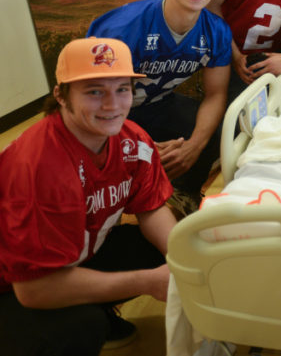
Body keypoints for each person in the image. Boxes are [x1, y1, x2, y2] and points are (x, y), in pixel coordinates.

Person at [0, 37, 176, 356]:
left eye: (122, 89)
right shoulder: (39, 166)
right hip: (13, 285)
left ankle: (89, 305)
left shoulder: (130, 140)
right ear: (61, 97)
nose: (112, 105)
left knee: (163, 247)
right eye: (94, 91)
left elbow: (151, 208)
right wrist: (147, 282)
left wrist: (187, 259)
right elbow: (33, 289)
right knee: (81, 327)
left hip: (69, 255)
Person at [88, 0, 232, 216]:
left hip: (156, 103)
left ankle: (182, 191)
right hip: (108, 112)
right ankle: (119, 200)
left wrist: (193, 146)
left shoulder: (217, 32)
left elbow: (215, 95)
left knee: (222, 126)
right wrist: (136, 145)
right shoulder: (123, 28)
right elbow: (92, 102)